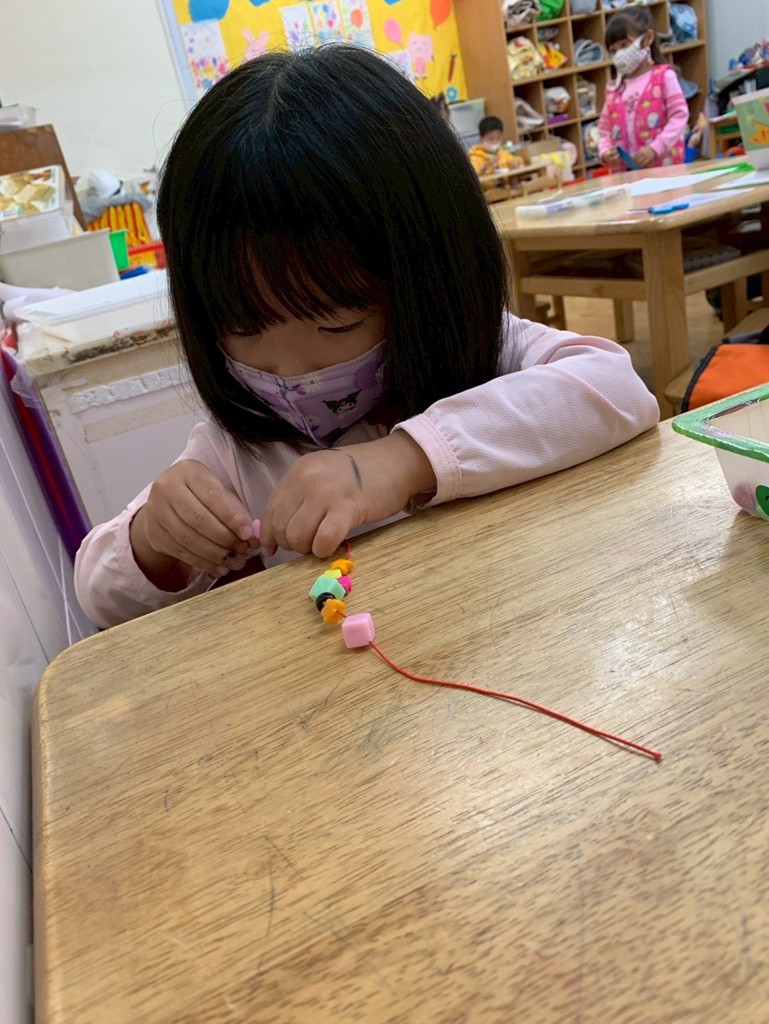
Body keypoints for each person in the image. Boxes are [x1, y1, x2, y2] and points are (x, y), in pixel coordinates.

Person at [74, 46, 659, 629]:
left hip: (518, 630)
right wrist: (154, 539)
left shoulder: (488, 354)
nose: (290, 370)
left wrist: (404, 461)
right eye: (243, 327)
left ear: (428, 282)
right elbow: (98, 593)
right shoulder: (237, 452)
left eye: (336, 325)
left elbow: (618, 389)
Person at [598, 8, 689, 171]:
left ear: (648, 38)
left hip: (665, 171)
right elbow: (604, 129)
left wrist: (656, 147)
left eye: (624, 45)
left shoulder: (664, 77)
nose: (619, 54)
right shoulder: (615, 89)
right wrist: (605, 152)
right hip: (627, 176)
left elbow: (679, 116)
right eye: (614, 50)